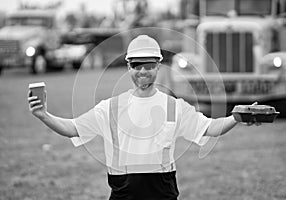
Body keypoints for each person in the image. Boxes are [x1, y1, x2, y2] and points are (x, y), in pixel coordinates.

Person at [28, 35, 259, 200]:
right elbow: (72, 128)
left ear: (158, 66)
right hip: (123, 195)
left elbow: (211, 127)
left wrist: (236, 117)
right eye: (137, 65)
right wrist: (43, 115)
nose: (142, 71)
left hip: (163, 194)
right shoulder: (111, 107)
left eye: (148, 65)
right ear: (128, 67)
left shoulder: (174, 107)